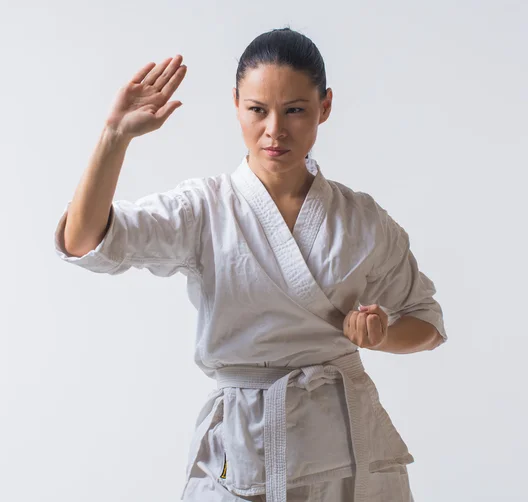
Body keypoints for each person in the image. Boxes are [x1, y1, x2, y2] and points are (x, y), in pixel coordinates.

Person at [54, 28, 447, 502]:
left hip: (349, 446)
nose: (275, 130)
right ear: (236, 104)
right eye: (258, 110)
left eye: (295, 110)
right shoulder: (203, 210)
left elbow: (426, 323)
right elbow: (85, 241)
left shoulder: (362, 220)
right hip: (247, 450)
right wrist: (114, 137)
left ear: (324, 107)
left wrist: (381, 334)